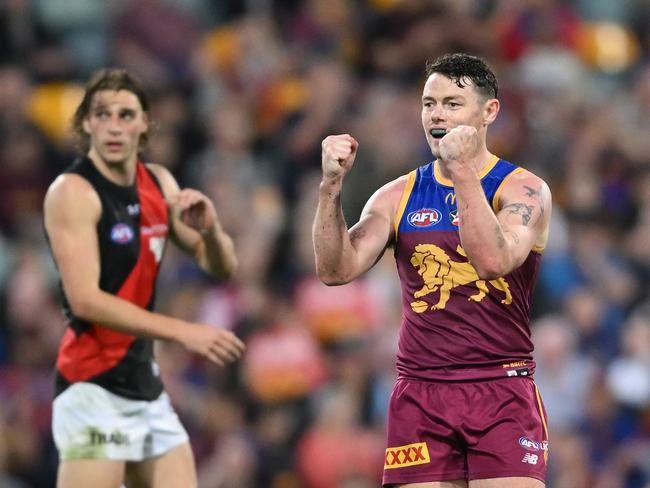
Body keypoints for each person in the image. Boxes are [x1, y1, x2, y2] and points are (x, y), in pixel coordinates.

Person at [313, 53, 552, 488]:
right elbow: (335, 269)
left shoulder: (523, 189)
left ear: (489, 112)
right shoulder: (397, 195)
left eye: (452, 103)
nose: (436, 114)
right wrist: (330, 188)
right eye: (428, 103)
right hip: (421, 393)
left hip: (501, 385)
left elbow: (493, 261)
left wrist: (462, 171)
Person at [43, 68, 245, 488]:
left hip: (145, 386)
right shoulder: (72, 192)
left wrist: (210, 229)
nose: (114, 126)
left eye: (125, 114)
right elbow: (85, 300)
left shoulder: (159, 183)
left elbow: (222, 267)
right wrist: (183, 332)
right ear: (85, 123)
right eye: (102, 114)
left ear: (145, 124)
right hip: (93, 386)